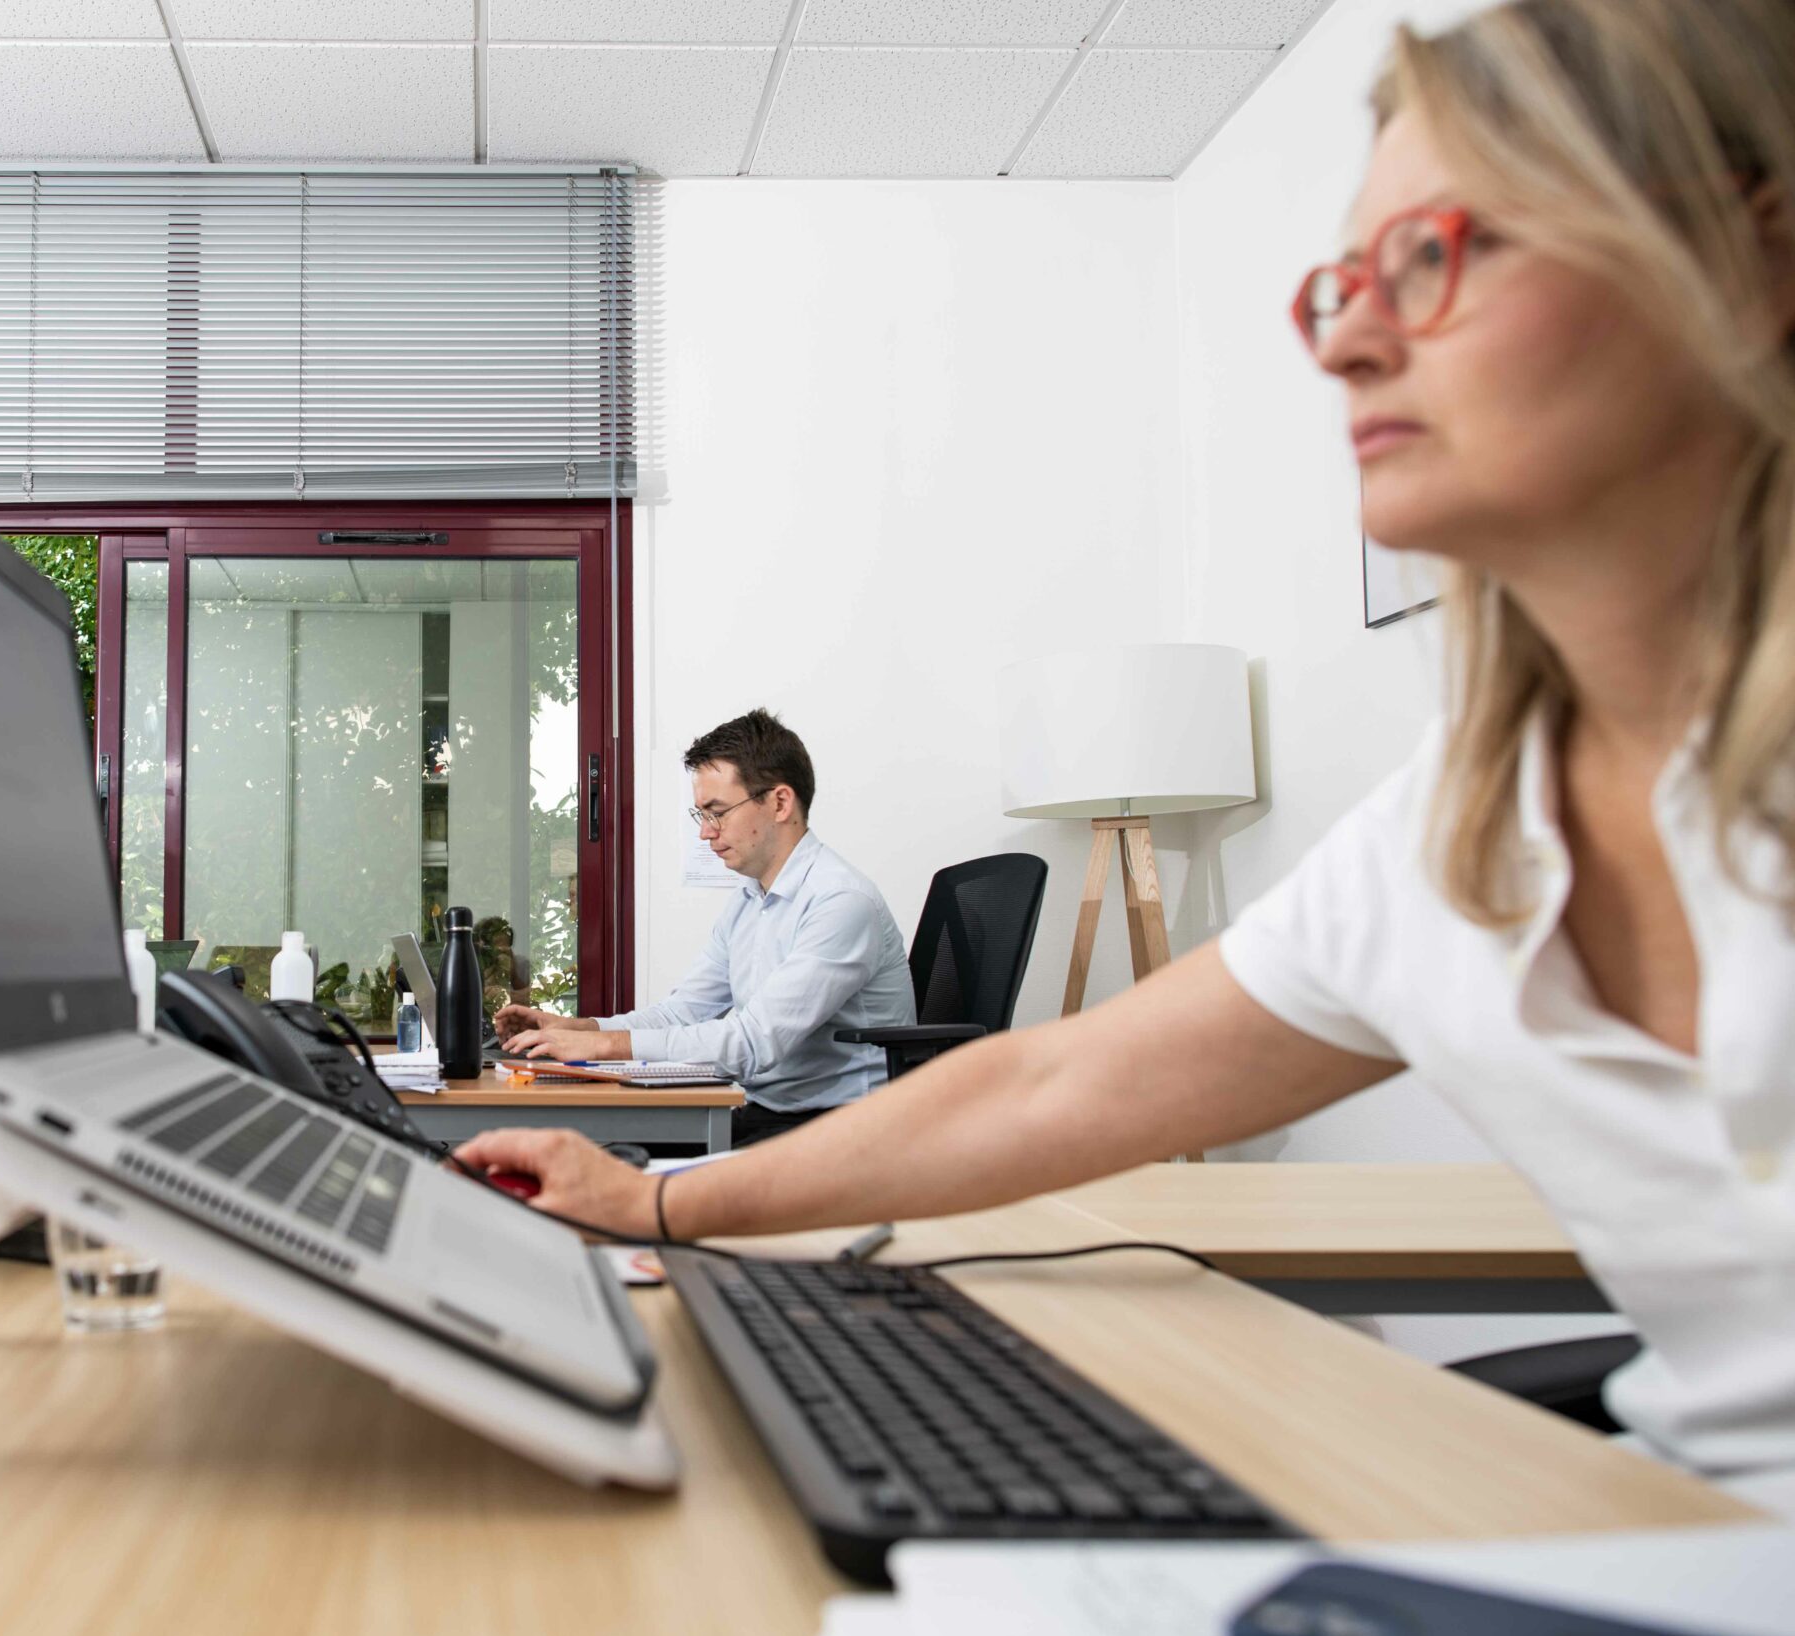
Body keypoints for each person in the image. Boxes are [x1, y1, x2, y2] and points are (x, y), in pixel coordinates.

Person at [460, 0, 1795, 1495]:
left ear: (1748, 267)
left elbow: (798, 1057)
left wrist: (661, 1181)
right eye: (1338, 285)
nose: (1350, 340)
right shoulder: (1471, 832)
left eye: (1434, 255)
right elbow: (1046, 1090)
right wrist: (652, 1204)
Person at [495, 709, 915, 1146]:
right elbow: (682, 1013)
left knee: (616, 1168)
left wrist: (604, 1050)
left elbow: (752, 1043)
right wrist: (582, 1030)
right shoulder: (750, 901)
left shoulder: (840, 902)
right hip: (761, 1110)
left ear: (779, 803)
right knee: (593, 1146)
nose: (706, 834)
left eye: (717, 812)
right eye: (702, 816)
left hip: (838, 1127)